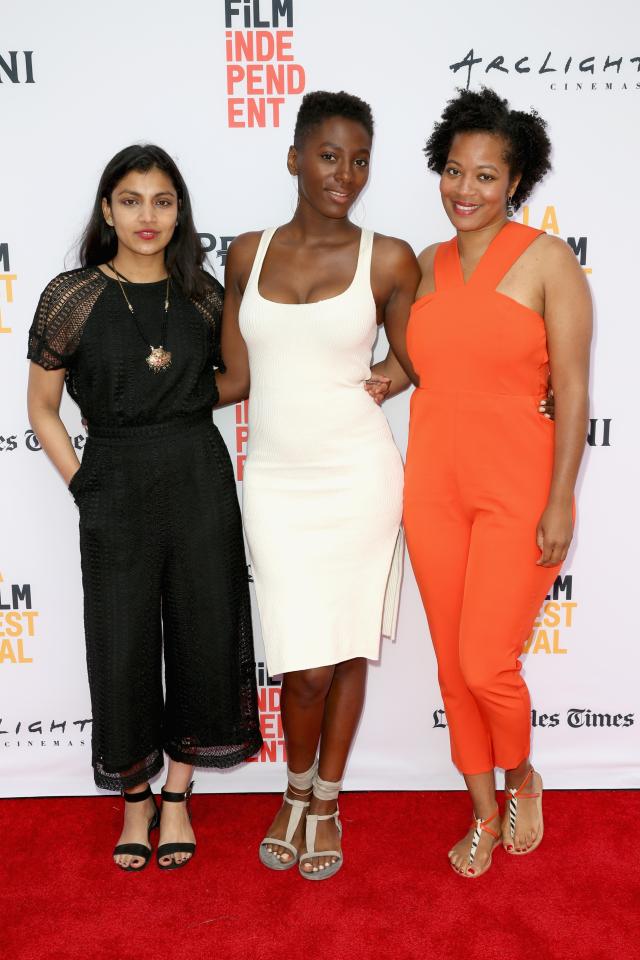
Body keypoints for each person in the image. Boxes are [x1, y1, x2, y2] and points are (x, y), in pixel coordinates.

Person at [27, 144, 262, 872]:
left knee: (204, 629)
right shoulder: (71, 295)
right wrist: (84, 482)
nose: (147, 215)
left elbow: (236, 380)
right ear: (107, 209)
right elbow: (41, 408)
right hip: (115, 484)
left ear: (179, 210)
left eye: (162, 200)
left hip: (197, 475)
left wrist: (183, 406)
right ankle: (135, 798)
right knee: (120, 642)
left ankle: (181, 797)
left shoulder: (202, 296)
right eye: (130, 200)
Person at [378, 87, 591, 878]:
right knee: (448, 664)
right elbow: (423, 360)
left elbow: (572, 386)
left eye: (487, 177)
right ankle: (482, 813)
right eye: (455, 172)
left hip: (518, 490)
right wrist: (377, 378)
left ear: (516, 183)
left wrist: (560, 496)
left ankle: (522, 776)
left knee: (484, 664)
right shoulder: (425, 266)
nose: (465, 190)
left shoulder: (548, 261)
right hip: (432, 487)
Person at [215, 90, 420, 879]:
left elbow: (423, 354)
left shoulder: (390, 257)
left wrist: (388, 377)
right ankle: (296, 790)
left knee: (342, 654)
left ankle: (321, 800)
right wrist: (140, 398)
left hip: (359, 478)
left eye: (360, 158)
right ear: (295, 157)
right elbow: (234, 377)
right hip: (275, 483)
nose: (346, 173)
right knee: (302, 661)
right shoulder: (246, 253)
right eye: (330, 155)